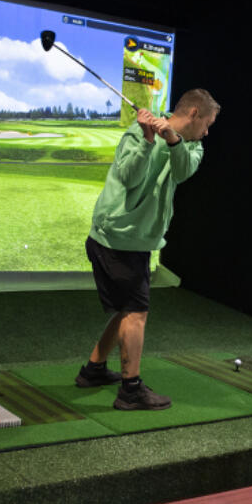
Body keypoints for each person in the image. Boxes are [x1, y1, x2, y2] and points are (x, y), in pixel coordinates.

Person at [76, 88, 221, 410]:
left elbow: (183, 171)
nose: (208, 131)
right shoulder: (136, 133)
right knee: (136, 312)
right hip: (116, 236)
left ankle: (93, 371)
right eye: (208, 123)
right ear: (194, 113)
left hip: (138, 239)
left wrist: (171, 139)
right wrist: (146, 140)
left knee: (127, 309)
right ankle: (131, 390)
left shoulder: (192, 146)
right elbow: (128, 177)